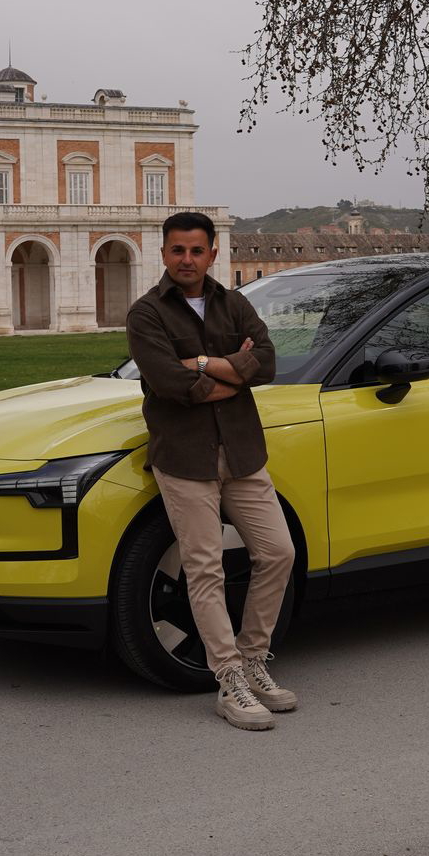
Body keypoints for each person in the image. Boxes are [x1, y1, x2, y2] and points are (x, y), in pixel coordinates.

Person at [126, 211, 298, 731]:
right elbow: (167, 383)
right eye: (177, 250)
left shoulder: (234, 302)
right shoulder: (146, 314)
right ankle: (227, 680)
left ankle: (252, 658)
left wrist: (198, 363)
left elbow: (266, 363)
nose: (187, 259)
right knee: (204, 568)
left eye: (196, 251)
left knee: (278, 552)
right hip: (185, 458)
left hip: (242, 452)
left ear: (213, 253)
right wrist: (227, 368)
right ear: (163, 253)